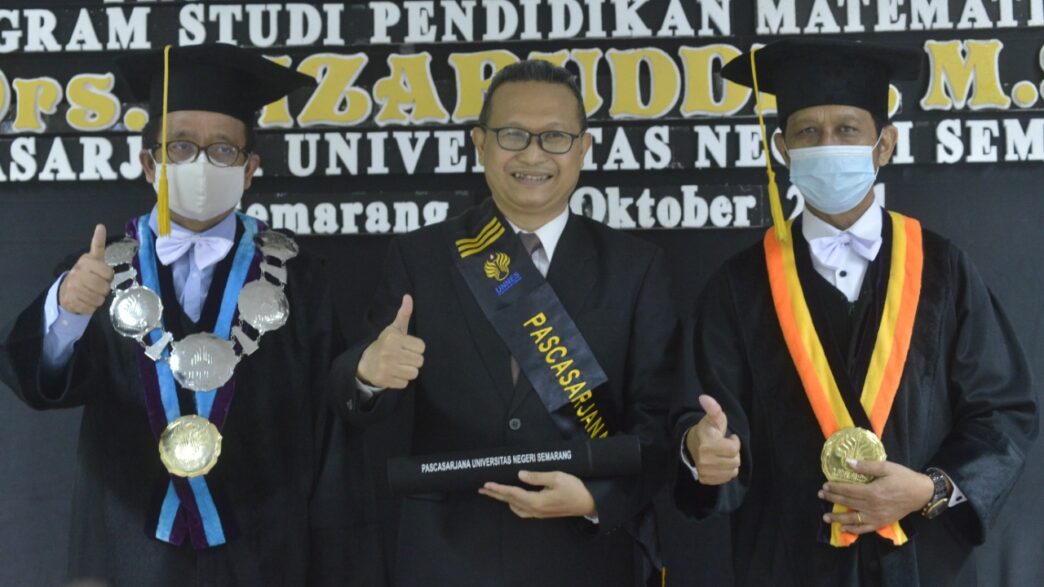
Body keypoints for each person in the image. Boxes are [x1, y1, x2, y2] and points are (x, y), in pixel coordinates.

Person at [671, 39, 1038, 586]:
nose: (827, 146)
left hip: (921, 561)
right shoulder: (738, 286)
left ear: (884, 144)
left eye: (847, 129)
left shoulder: (943, 269)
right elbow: (706, 425)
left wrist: (931, 489)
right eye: (807, 132)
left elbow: (1002, 411)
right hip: (788, 565)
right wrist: (701, 451)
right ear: (782, 149)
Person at [0, 43, 346, 585]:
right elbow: (42, 384)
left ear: (250, 169)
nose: (200, 164)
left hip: (266, 549)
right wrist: (66, 312)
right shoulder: (97, 273)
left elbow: (332, 425)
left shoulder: (301, 280)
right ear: (149, 163)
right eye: (180, 146)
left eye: (223, 150)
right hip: (127, 547)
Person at [329, 59, 679, 586]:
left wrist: (596, 498)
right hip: (446, 556)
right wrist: (368, 375)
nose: (533, 154)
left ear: (584, 148)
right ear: (480, 144)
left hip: (584, 557)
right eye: (513, 135)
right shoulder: (420, 257)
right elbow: (354, 398)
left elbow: (659, 420)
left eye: (555, 137)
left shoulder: (635, 267)